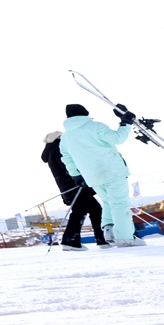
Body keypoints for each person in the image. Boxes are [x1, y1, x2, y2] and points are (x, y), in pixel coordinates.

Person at [60, 104, 145, 248]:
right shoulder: (95, 126)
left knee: (107, 202)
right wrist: (125, 124)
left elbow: (67, 159)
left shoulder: (66, 137)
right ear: (85, 113)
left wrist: (76, 176)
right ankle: (125, 238)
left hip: (92, 176)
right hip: (112, 171)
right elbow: (117, 139)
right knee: (119, 203)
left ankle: (109, 231)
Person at [41, 131, 109, 251]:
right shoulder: (57, 150)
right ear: (57, 138)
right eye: (62, 136)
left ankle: (101, 239)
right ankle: (70, 240)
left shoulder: (54, 150)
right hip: (75, 186)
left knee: (94, 210)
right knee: (81, 212)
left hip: (74, 187)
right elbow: (68, 167)